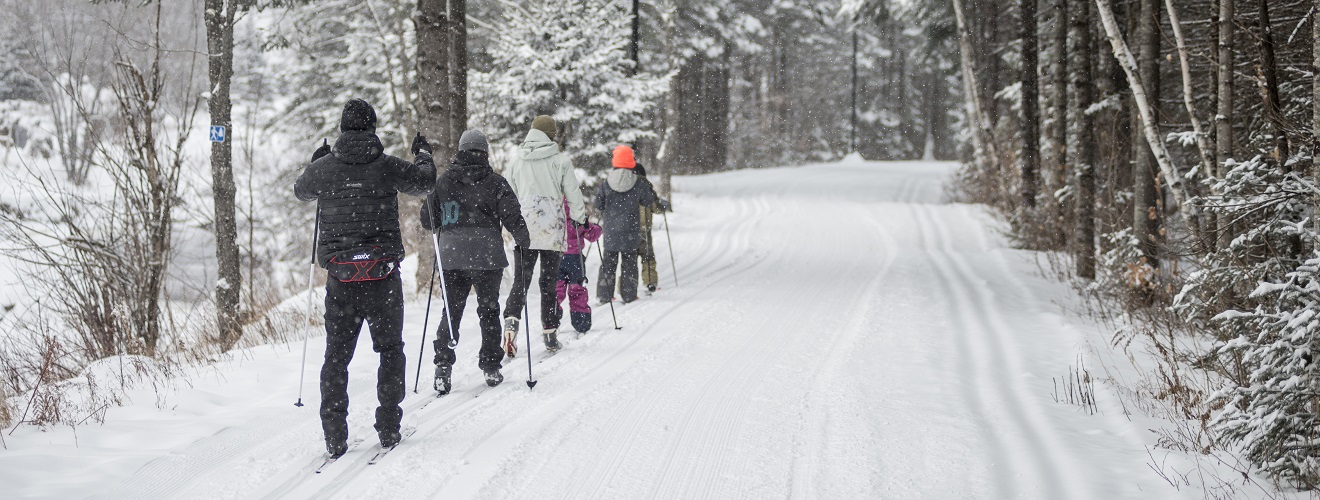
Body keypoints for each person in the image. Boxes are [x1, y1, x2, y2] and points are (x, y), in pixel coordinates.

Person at [293, 99, 435, 458]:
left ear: (343, 128)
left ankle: (334, 435)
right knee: (390, 350)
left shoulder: (325, 169)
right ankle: (388, 426)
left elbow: (301, 190)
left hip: (341, 281)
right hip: (382, 277)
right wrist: (423, 155)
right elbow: (424, 183)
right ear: (372, 126)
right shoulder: (386, 166)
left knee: (336, 358)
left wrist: (316, 162)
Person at [420, 129, 530, 394]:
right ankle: (491, 366)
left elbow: (427, 220)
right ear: (485, 152)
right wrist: (523, 239)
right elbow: (512, 215)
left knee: (451, 311)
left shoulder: (443, 182)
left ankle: (443, 366)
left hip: (452, 256)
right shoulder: (496, 183)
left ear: (460, 150)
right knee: (488, 310)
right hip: (487, 256)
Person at [502, 115, 588, 356]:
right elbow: (573, 193)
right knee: (548, 283)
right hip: (552, 227)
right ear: (551, 135)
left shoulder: (517, 161)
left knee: (521, 280)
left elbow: (508, 194)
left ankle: (511, 324)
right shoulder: (560, 161)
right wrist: (579, 217)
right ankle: (550, 333)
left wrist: (509, 221)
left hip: (524, 227)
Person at [595, 145, 655, 304]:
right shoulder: (638, 182)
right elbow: (648, 201)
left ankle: (604, 295)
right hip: (631, 230)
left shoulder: (606, 183)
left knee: (608, 262)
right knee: (629, 263)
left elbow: (598, 205)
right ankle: (629, 295)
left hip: (611, 230)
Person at [554, 199, 602, 335]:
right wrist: (596, 227)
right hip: (575, 259)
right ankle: (581, 322)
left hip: (556, 258)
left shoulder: (552, 216)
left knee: (555, 290)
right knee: (577, 290)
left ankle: (551, 320)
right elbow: (592, 235)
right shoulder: (577, 217)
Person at [633, 163, 669, 295]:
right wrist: (662, 206)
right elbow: (655, 207)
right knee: (647, 256)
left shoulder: (626, 186)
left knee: (629, 258)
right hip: (644, 228)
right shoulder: (646, 187)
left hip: (629, 228)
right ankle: (650, 282)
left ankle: (625, 285)